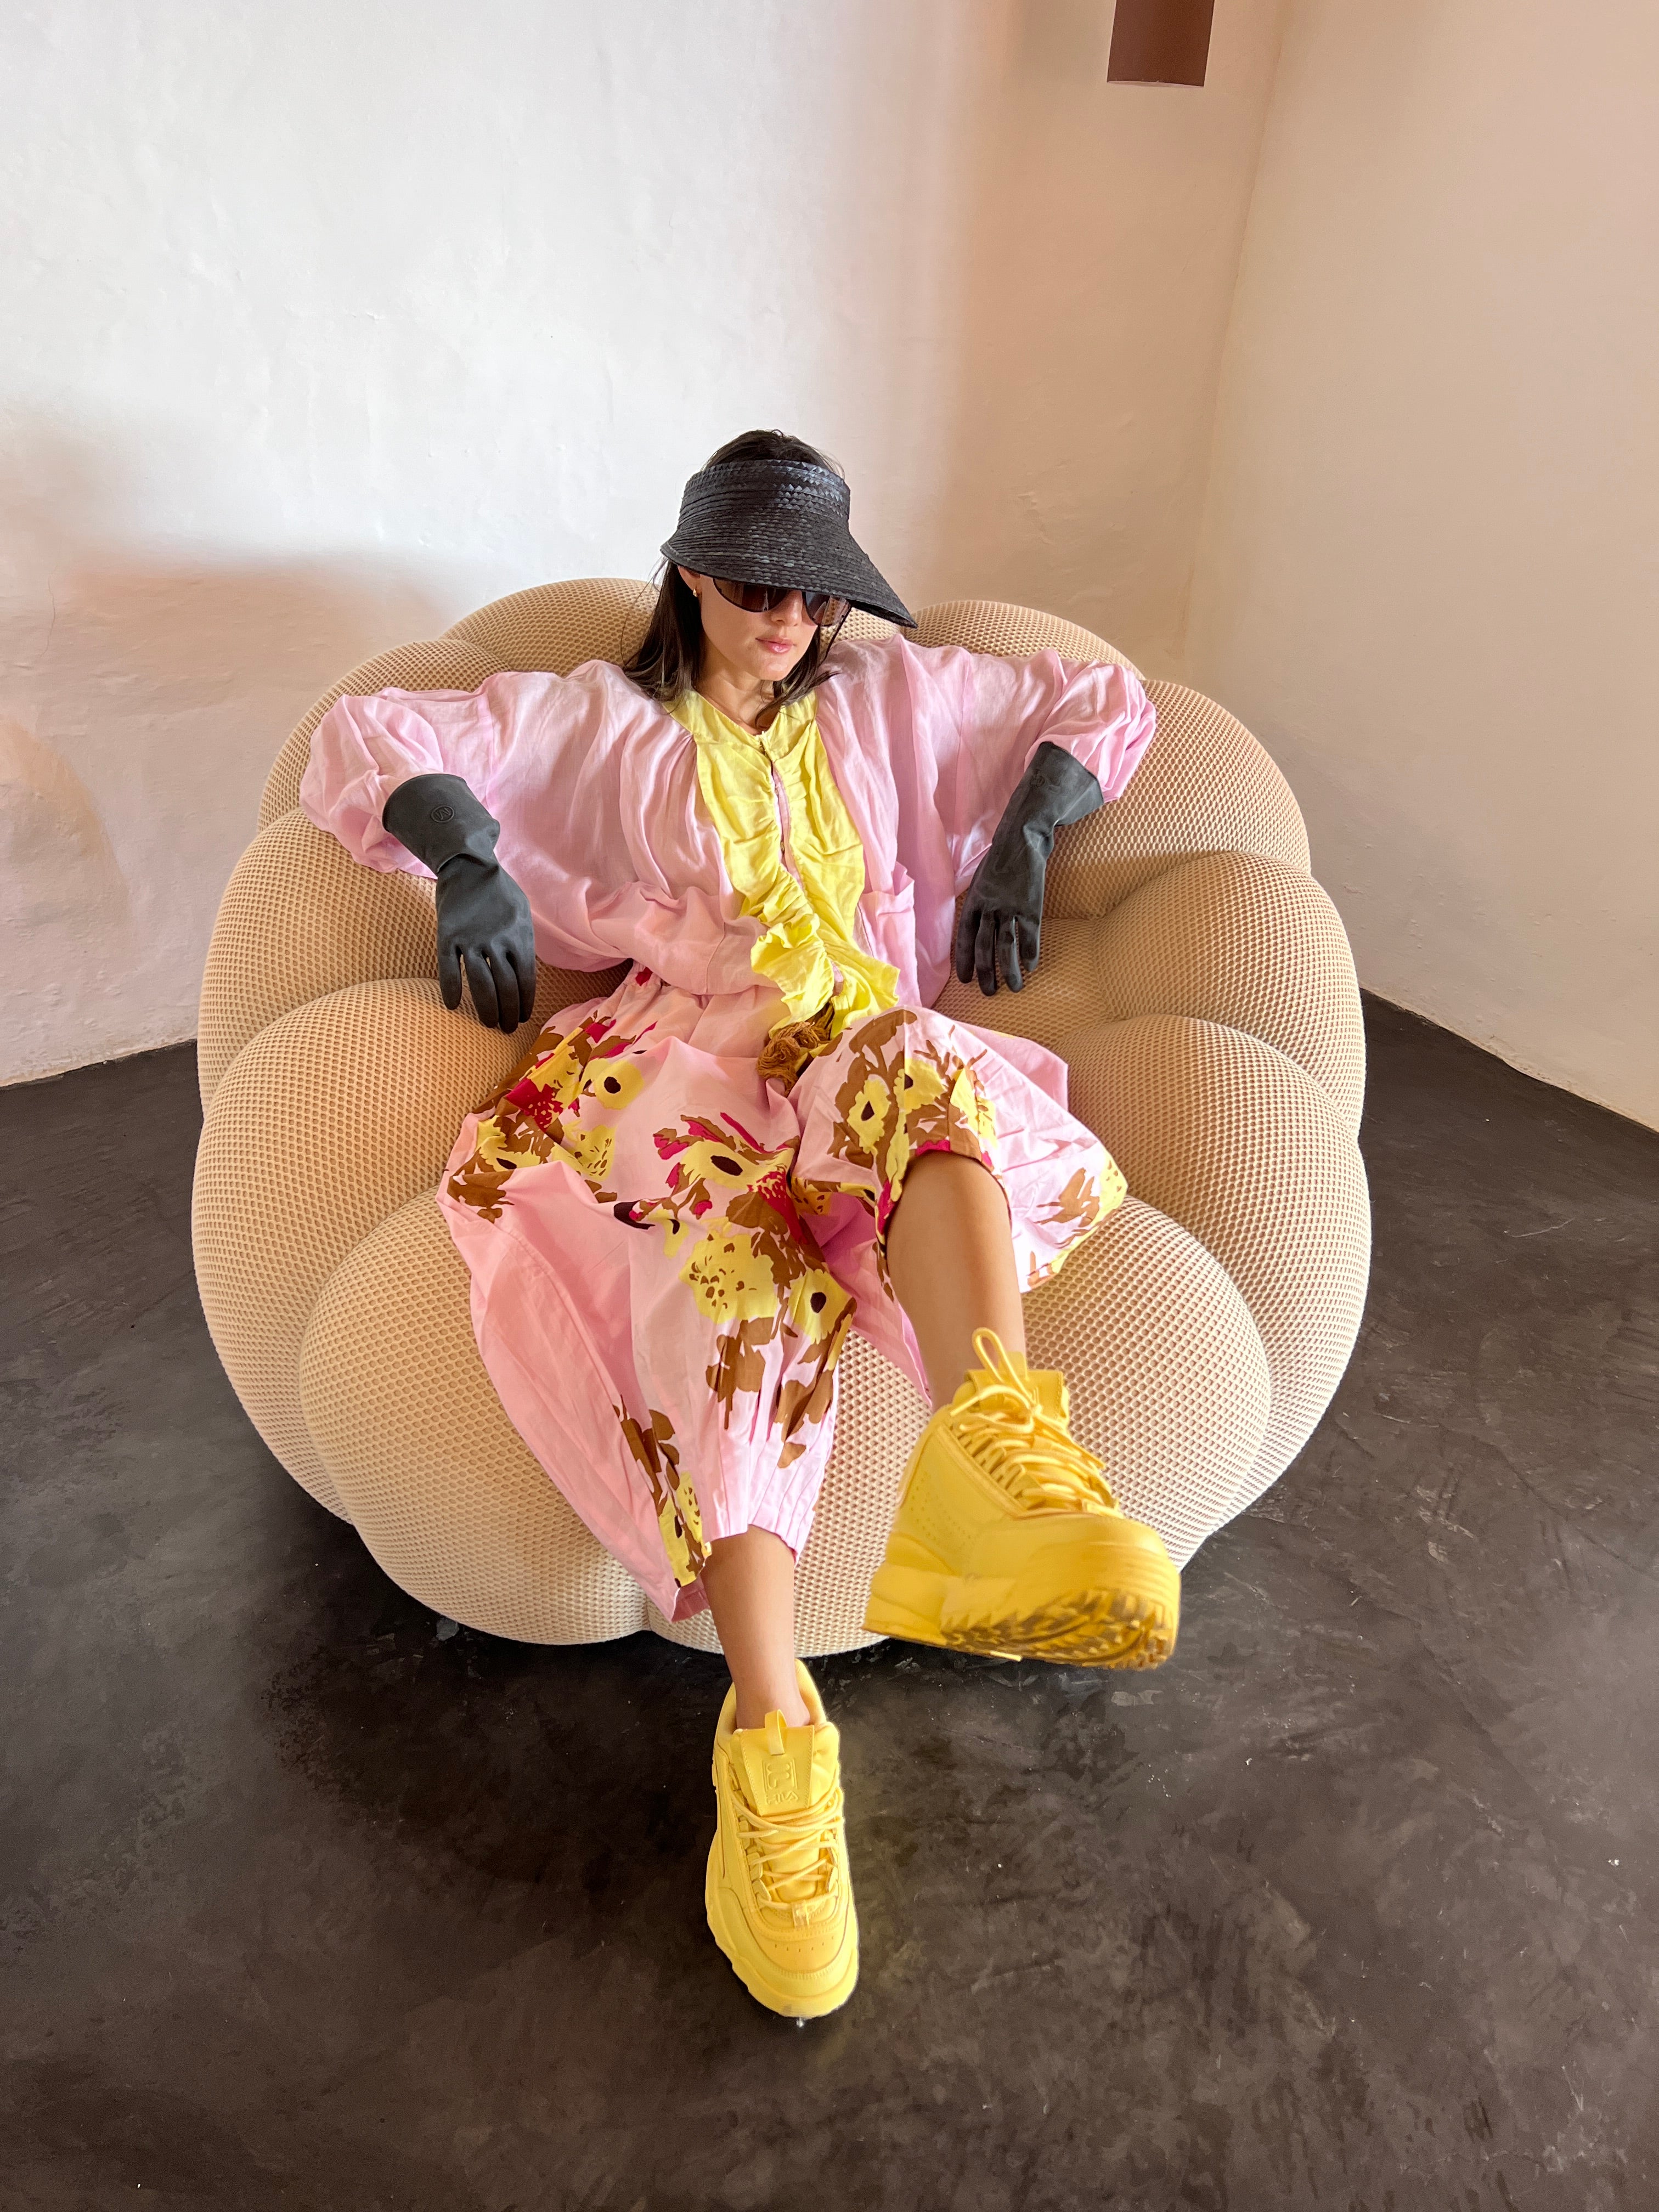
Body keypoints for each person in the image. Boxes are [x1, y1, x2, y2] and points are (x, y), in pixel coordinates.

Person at [301, 429, 1180, 2020]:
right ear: (694, 571)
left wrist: (1027, 837)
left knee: (931, 1078)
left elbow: (1100, 702)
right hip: (683, 1052)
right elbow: (380, 732)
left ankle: (999, 1459)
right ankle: (774, 1748)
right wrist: (466, 858)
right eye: (762, 587)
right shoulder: (602, 721)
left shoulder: (893, 694)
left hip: (853, 1031)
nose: (792, 621)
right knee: (730, 1282)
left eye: (820, 594)